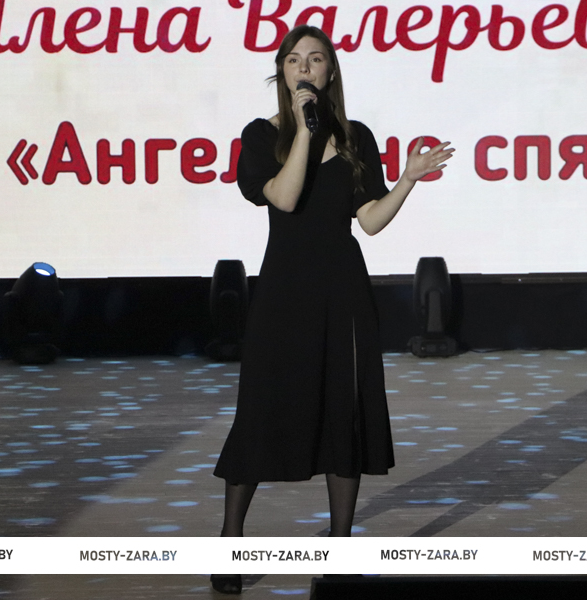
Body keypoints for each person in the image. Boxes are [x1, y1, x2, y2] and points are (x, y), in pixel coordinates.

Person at [210, 24, 453, 594]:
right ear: (282, 71)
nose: (305, 68)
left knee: (345, 412)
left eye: (316, 59)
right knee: (262, 412)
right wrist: (304, 131)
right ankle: (230, 540)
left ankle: (340, 546)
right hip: (283, 293)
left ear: (330, 71)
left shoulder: (356, 137)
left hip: (342, 292)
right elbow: (285, 196)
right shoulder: (261, 135)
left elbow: (369, 221)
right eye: (294, 59)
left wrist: (406, 181)